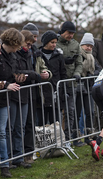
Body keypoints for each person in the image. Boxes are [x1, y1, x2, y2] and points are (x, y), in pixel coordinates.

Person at [6, 30, 43, 169]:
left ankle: (19, 157)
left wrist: (30, 75)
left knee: (20, 127)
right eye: (28, 44)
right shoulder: (14, 54)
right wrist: (33, 74)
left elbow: (25, 72)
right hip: (15, 94)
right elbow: (15, 72)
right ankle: (9, 158)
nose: (29, 47)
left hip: (25, 94)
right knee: (11, 128)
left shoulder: (29, 54)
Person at [0, 30, 22, 177]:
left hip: (3, 100)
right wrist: (5, 85)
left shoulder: (11, 57)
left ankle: (4, 165)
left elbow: (9, 75)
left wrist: (16, 79)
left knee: (1, 133)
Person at [22, 22, 52, 164]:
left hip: (35, 91)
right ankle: (18, 155)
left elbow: (44, 67)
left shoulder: (35, 51)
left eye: (36, 36)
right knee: (19, 125)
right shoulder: (20, 51)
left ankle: (29, 153)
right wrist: (35, 75)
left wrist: (47, 73)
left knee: (30, 123)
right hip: (21, 91)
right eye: (33, 36)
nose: (35, 40)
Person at [56, 21, 83, 141]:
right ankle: (57, 138)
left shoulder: (75, 45)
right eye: (69, 33)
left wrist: (77, 73)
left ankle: (68, 139)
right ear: (63, 31)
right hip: (58, 83)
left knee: (70, 112)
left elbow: (79, 62)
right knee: (57, 112)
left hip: (71, 83)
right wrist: (62, 60)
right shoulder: (54, 43)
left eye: (73, 33)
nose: (71, 35)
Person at [37, 30, 67, 125]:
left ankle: (56, 140)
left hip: (55, 92)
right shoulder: (38, 55)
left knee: (55, 122)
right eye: (52, 42)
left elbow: (63, 73)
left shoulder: (59, 56)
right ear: (46, 42)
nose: (54, 45)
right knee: (42, 121)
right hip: (42, 94)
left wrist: (64, 91)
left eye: (55, 42)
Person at [73, 33, 95, 147]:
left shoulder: (91, 56)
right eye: (87, 45)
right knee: (77, 112)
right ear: (82, 45)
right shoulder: (79, 54)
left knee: (90, 112)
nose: (89, 48)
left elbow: (92, 70)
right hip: (78, 85)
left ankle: (88, 137)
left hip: (88, 85)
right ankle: (75, 138)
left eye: (91, 46)